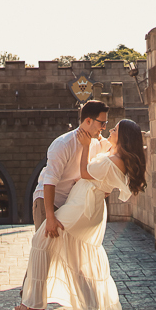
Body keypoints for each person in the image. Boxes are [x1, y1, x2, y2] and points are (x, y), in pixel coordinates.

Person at [14, 118, 147, 310]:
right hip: (86, 205)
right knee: (78, 258)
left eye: (115, 130)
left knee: (42, 239)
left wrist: (85, 147)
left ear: (123, 138)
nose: (110, 131)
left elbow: (85, 172)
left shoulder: (116, 160)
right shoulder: (115, 156)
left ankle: (33, 302)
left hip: (81, 207)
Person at [32, 99, 109, 234]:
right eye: (102, 123)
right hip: (48, 202)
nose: (104, 127)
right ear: (88, 121)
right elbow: (49, 181)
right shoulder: (63, 144)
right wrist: (50, 217)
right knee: (47, 249)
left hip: (69, 206)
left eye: (106, 123)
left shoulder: (95, 144)